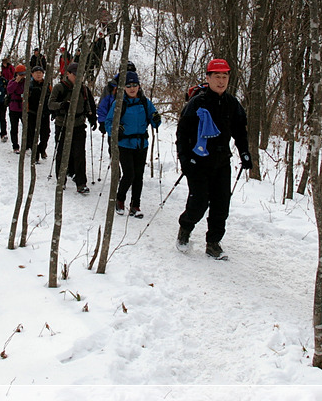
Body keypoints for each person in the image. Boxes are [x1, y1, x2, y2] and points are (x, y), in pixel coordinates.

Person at [175, 58, 253, 259]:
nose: (221, 81)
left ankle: (213, 243)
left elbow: (240, 131)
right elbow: (182, 133)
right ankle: (185, 229)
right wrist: (184, 159)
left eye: (225, 76)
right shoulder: (197, 103)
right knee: (199, 203)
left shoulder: (232, 103)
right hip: (198, 161)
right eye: (217, 76)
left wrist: (244, 153)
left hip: (221, 161)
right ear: (208, 78)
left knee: (221, 204)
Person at [105, 71, 161, 217]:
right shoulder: (119, 103)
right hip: (125, 144)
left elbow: (155, 120)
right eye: (128, 85)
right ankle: (120, 199)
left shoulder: (145, 102)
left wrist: (156, 118)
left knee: (139, 176)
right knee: (129, 174)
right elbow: (108, 122)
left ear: (139, 86)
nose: (132, 88)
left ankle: (135, 206)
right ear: (123, 87)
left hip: (141, 144)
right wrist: (117, 129)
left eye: (134, 85)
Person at [48, 62, 97, 194]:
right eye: (75, 74)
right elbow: (50, 104)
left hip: (79, 124)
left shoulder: (84, 89)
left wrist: (92, 118)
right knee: (62, 152)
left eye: (80, 74)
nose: (77, 77)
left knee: (79, 154)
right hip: (62, 124)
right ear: (68, 74)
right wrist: (62, 105)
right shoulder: (59, 87)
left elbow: (88, 104)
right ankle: (61, 180)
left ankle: (81, 183)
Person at [26, 65, 52, 160]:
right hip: (32, 113)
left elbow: (51, 98)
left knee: (46, 134)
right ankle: (35, 154)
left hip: (45, 114)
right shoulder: (29, 85)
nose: (38, 75)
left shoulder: (47, 85)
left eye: (40, 73)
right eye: (36, 73)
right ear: (32, 74)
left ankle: (42, 149)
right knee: (32, 134)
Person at [6, 64, 27, 153]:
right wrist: (16, 82)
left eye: (23, 74)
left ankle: (27, 145)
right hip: (14, 108)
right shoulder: (12, 82)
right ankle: (15, 146)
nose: (22, 76)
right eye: (20, 74)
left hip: (24, 109)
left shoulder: (27, 82)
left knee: (26, 128)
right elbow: (9, 90)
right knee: (14, 128)